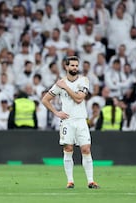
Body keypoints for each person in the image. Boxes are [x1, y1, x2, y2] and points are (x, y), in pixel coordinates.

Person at [41, 56, 100, 189]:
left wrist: (66, 87)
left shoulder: (83, 80)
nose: (74, 68)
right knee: (68, 149)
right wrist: (56, 113)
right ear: (66, 67)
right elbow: (45, 100)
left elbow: (79, 99)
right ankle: (70, 181)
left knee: (86, 149)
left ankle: (90, 181)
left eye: (76, 65)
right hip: (67, 121)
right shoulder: (60, 84)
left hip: (80, 120)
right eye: (72, 65)